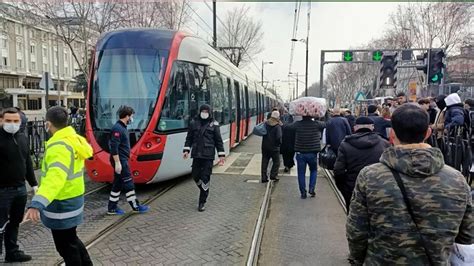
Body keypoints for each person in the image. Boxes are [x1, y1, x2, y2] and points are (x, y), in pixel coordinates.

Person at [346, 104, 473, 265]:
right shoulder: (457, 180)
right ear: (428, 133)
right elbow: (467, 235)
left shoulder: (370, 176)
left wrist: (357, 259)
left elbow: (357, 231)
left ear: (392, 134)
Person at [23, 106, 93, 265]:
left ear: (48, 124)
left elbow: (55, 178)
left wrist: (37, 203)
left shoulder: (59, 146)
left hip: (62, 204)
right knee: (72, 240)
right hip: (73, 199)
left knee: (66, 246)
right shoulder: (73, 139)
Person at [0, 108, 37, 262]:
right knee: (0, 226)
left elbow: (27, 162)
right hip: (2, 191)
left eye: (16, 121)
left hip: (20, 189)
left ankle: (12, 252)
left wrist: (34, 184)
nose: (12, 124)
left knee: (15, 222)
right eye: (8, 121)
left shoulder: (22, 137)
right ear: (1, 121)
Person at [333, 117, 389, 211]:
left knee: (353, 216)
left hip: (353, 186)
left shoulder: (345, 144)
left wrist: (344, 187)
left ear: (355, 128)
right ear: (372, 127)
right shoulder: (384, 144)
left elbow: (338, 170)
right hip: (379, 187)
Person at [107, 106, 149, 215]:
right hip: (120, 160)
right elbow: (114, 147)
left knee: (118, 184)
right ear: (127, 116)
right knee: (128, 183)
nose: (132, 118)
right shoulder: (118, 129)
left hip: (122, 159)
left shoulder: (122, 127)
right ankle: (135, 206)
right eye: (132, 116)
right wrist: (117, 162)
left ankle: (112, 208)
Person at [183, 104, 225, 212]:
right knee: (195, 175)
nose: (204, 113)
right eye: (203, 111)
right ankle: (204, 189)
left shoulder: (214, 125)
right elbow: (189, 138)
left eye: (206, 111)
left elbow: (218, 141)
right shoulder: (193, 123)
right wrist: (186, 150)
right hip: (196, 154)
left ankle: (202, 202)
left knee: (205, 177)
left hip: (208, 155)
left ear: (210, 112)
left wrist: (221, 156)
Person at [292, 115, 325, 198]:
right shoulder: (317, 124)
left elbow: (287, 127)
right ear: (312, 116)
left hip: (300, 153)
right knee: (313, 170)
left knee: (301, 173)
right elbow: (327, 123)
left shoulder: (297, 124)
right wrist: (326, 112)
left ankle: (303, 192)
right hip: (312, 153)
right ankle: (311, 189)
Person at [260, 111, 282, 182]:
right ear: (277, 117)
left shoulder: (266, 123)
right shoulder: (277, 126)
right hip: (274, 148)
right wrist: (279, 144)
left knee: (264, 162)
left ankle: (264, 177)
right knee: (276, 162)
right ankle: (273, 175)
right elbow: (278, 137)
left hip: (265, 146)